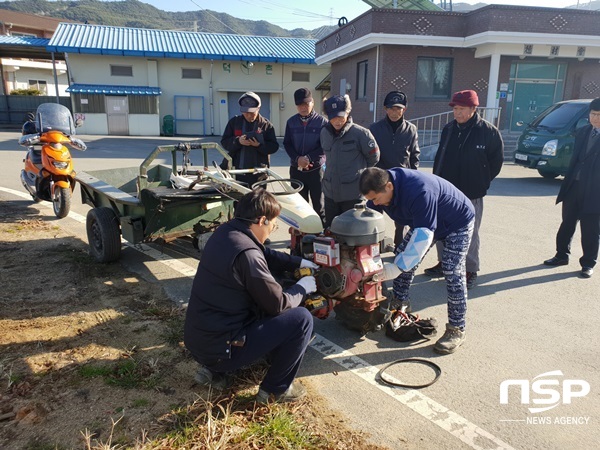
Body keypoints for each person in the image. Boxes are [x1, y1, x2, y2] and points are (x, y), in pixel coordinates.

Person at [184, 188, 319, 403]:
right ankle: (275, 390)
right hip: (222, 350)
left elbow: (263, 252)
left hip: (199, 341)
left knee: (254, 299)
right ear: (262, 220)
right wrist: (301, 288)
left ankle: (212, 371)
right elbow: (278, 304)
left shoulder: (225, 233)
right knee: (301, 319)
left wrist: (298, 262)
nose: (274, 228)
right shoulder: (248, 256)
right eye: (274, 224)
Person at [359, 167, 475, 354]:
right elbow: (369, 218)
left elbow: (423, 236)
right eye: (370, 199)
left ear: (389, 186)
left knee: (452, 270)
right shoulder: (381, 188)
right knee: (403, 256)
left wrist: (397, 267)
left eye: (375, 199)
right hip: (425, 221)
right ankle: (400, 303)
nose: (374, 203)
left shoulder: (420, 190)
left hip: (456, 221)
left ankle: (456, 329)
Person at [423, 89, 503, 289]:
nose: (457, 113)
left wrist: (482, 181)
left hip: (472, 191)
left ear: (473, 109)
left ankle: (470, 269)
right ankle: (444, 263)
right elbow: (440, 158)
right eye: (455, 109)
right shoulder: (449, 129)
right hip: (446, 190)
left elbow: (496, 162)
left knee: (470, 232)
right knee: (442, 229)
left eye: (462, 109)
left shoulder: (488, 131)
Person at [543, 97, 600, 278]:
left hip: (595, 191)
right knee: (567, 223)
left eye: (599, 115)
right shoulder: (583, 131)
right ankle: (561, 255)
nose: (595, 118)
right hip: (574, 186)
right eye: (592, 114)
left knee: (590, 229)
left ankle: (588, 263)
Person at [320, 94, 380, 228]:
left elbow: (373, 158)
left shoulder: (361, 134)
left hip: (353, 194)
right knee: (331, 232)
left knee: (352, 234)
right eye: (333, 117)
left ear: (348, 112)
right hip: (330, 195)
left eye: (341, 116)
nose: (337, 121)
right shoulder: (324, 132)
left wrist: (358, 173)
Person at [369, 90, 420, 246]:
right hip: (378, 179)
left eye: (398, 108)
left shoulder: (411, 129)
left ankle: (399, 248)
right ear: (385, 109)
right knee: (373, 216)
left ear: (404, 109)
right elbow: (368, 154)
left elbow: (414, 156)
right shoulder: (375, 128)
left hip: (401, 181)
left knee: (402, 220)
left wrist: (413, 178)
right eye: (391, 108)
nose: (394, 112)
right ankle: (373, 247)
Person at [283, 88, 328, 222]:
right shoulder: (291, 122)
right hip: (296, 170)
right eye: (300, 105)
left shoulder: (322, 122)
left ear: (312, 103)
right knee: (298, 205)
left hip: (316, 170)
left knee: (318, 205)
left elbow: (325, 146)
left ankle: (320, 234)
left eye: (306, 104)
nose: (303, 107)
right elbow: (287, 144)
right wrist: (297, 159)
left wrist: (309, 158)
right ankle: (302, 234)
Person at [221, 91, 279, 187]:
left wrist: (259, 145)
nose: (249, 115)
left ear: (258, 108)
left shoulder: (266, 125)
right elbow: (225, 142)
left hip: (258, 173)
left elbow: (274, 147)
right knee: (238, 200)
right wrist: (238, 141)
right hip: (237, 172)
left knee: (257, 200)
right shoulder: (234, 122)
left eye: (252, 112)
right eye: (246, 112)